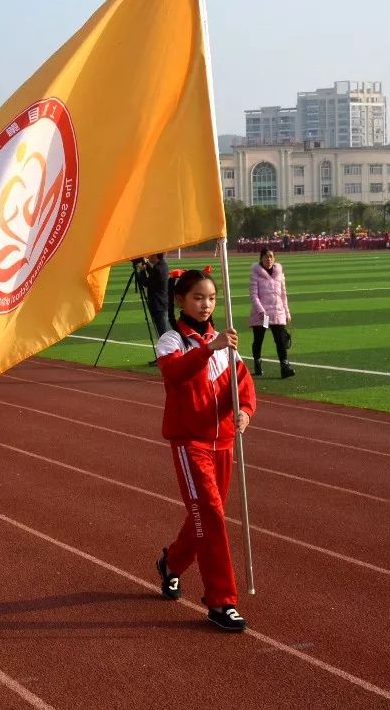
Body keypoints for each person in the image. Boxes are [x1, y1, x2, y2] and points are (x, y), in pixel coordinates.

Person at [153, 268, 256, 632]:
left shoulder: (226, 344)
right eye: (198, 298)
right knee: (210, 516)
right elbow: (175, 376)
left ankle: (172, 564)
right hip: (190, 443)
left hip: (224, 442)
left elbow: (243, 386)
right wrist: (207, 350)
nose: (206, 304)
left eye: (211, 298)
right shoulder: (172, 342)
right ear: (181, 300)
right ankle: (221, 601)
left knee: (204, 520)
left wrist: (244, 411)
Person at [249, 248, 294, 378]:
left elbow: (283, 294)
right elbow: (254, 296)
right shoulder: (255, 274)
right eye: (265, 257)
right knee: (259, 339)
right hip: (263, 315)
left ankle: (285, 367)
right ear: (261, 258)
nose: (268, 259)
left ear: (274, 258)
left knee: (280, 340)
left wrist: (287, 311)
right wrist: (261, 312)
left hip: (277, 312)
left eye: (271, 256)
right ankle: (257, 364)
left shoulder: (279, 273)